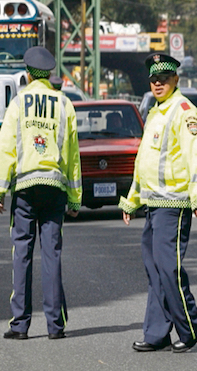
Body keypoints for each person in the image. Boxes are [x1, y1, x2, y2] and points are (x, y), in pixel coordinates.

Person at [0, 46, 82, 340]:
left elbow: (5, 147)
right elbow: (72, 154)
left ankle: (20, 325)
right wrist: (75, 197)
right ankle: (56, 326)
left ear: (28, 74)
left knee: (22, 255)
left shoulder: (18, 103)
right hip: (54, 188)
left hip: (26, 189)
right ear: (50, 74)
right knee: (52, 256)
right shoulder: (64, 104)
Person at [119, 53, 197, 353]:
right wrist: (131, 201)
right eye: (153, 78)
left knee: (168, 269)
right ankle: (156, 333)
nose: (157, 83)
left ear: (175, 79)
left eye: (164, 78)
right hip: (153, 204)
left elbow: (193, 159)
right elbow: (144, 162)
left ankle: (190, 327)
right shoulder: (155, 111)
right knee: (154, 270)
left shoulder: (184, 111)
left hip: (173, 205)